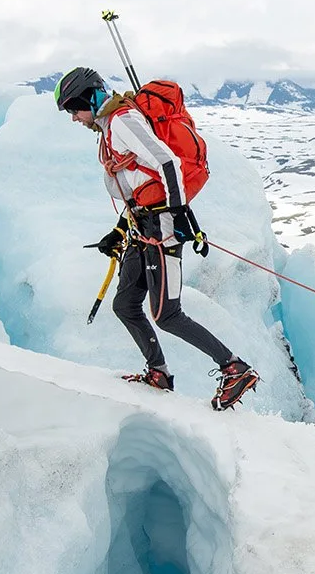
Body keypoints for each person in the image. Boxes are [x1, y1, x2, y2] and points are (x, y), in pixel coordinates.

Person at [56, 67, 259, 411]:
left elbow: (167, 163)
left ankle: (234, 368)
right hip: (142, 225)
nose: (74, 118)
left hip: (161, 226)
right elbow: (138, 185)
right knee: (125, 305)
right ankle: (159, 374)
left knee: (166, 313)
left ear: (88, 98)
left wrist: (178, 214)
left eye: (73, 109)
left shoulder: (122, 121)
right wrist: (120, 230)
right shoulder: (108, 130)